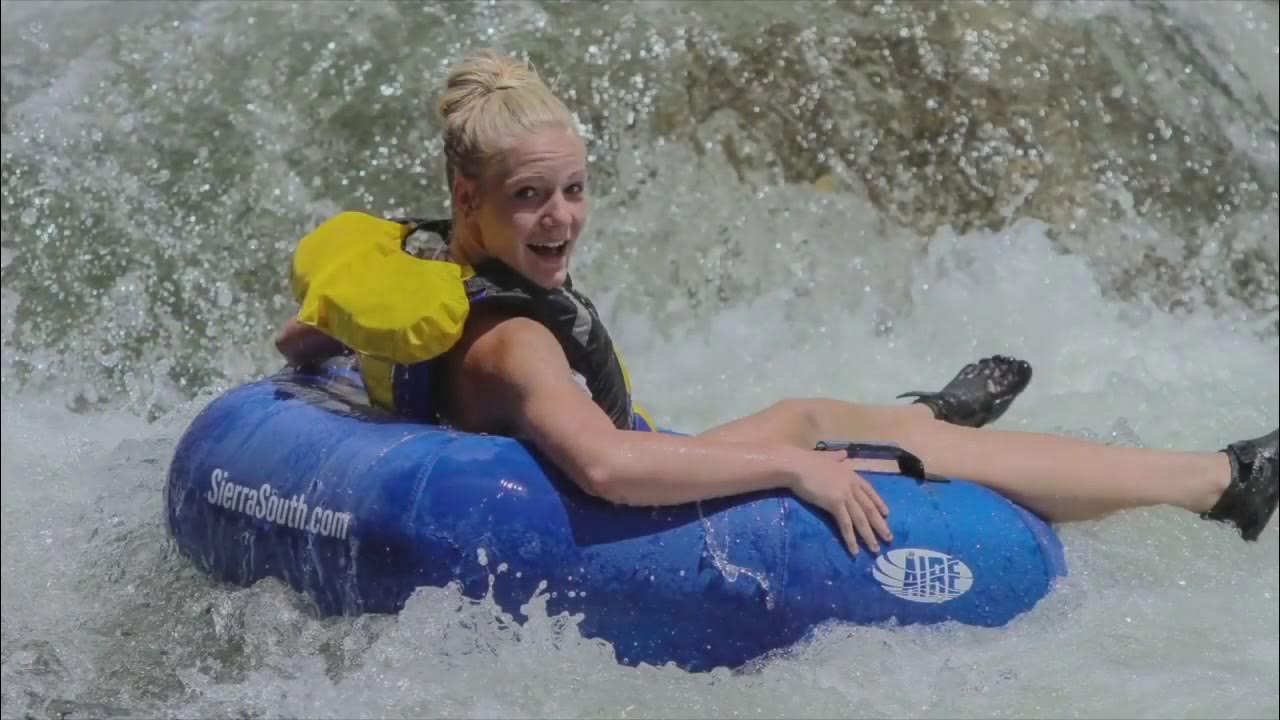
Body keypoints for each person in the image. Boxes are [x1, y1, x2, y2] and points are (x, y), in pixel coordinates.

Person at [274, 50, 1278, 555]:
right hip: (601, 511)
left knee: (813, 410)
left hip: (523, 463)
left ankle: (917, 412)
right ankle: (1214, 483)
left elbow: (305, 334)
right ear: (468, 199)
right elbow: (608, 464)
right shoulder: (515, 348)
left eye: (573, 190)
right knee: (834, 439)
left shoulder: (419, 264)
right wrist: (794, 470)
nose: (559, 220)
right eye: (529, 197)